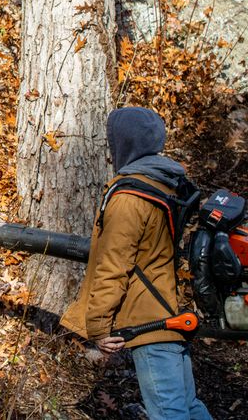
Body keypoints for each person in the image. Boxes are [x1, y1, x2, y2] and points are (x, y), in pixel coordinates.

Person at [60, 107, 213, 420]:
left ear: (123, 144)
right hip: (171, 315)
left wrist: (99, 327)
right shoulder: (166, 185)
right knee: (189, 407)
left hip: (152, 324)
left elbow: (113, 266)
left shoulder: (129, 197)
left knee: (169, 414)